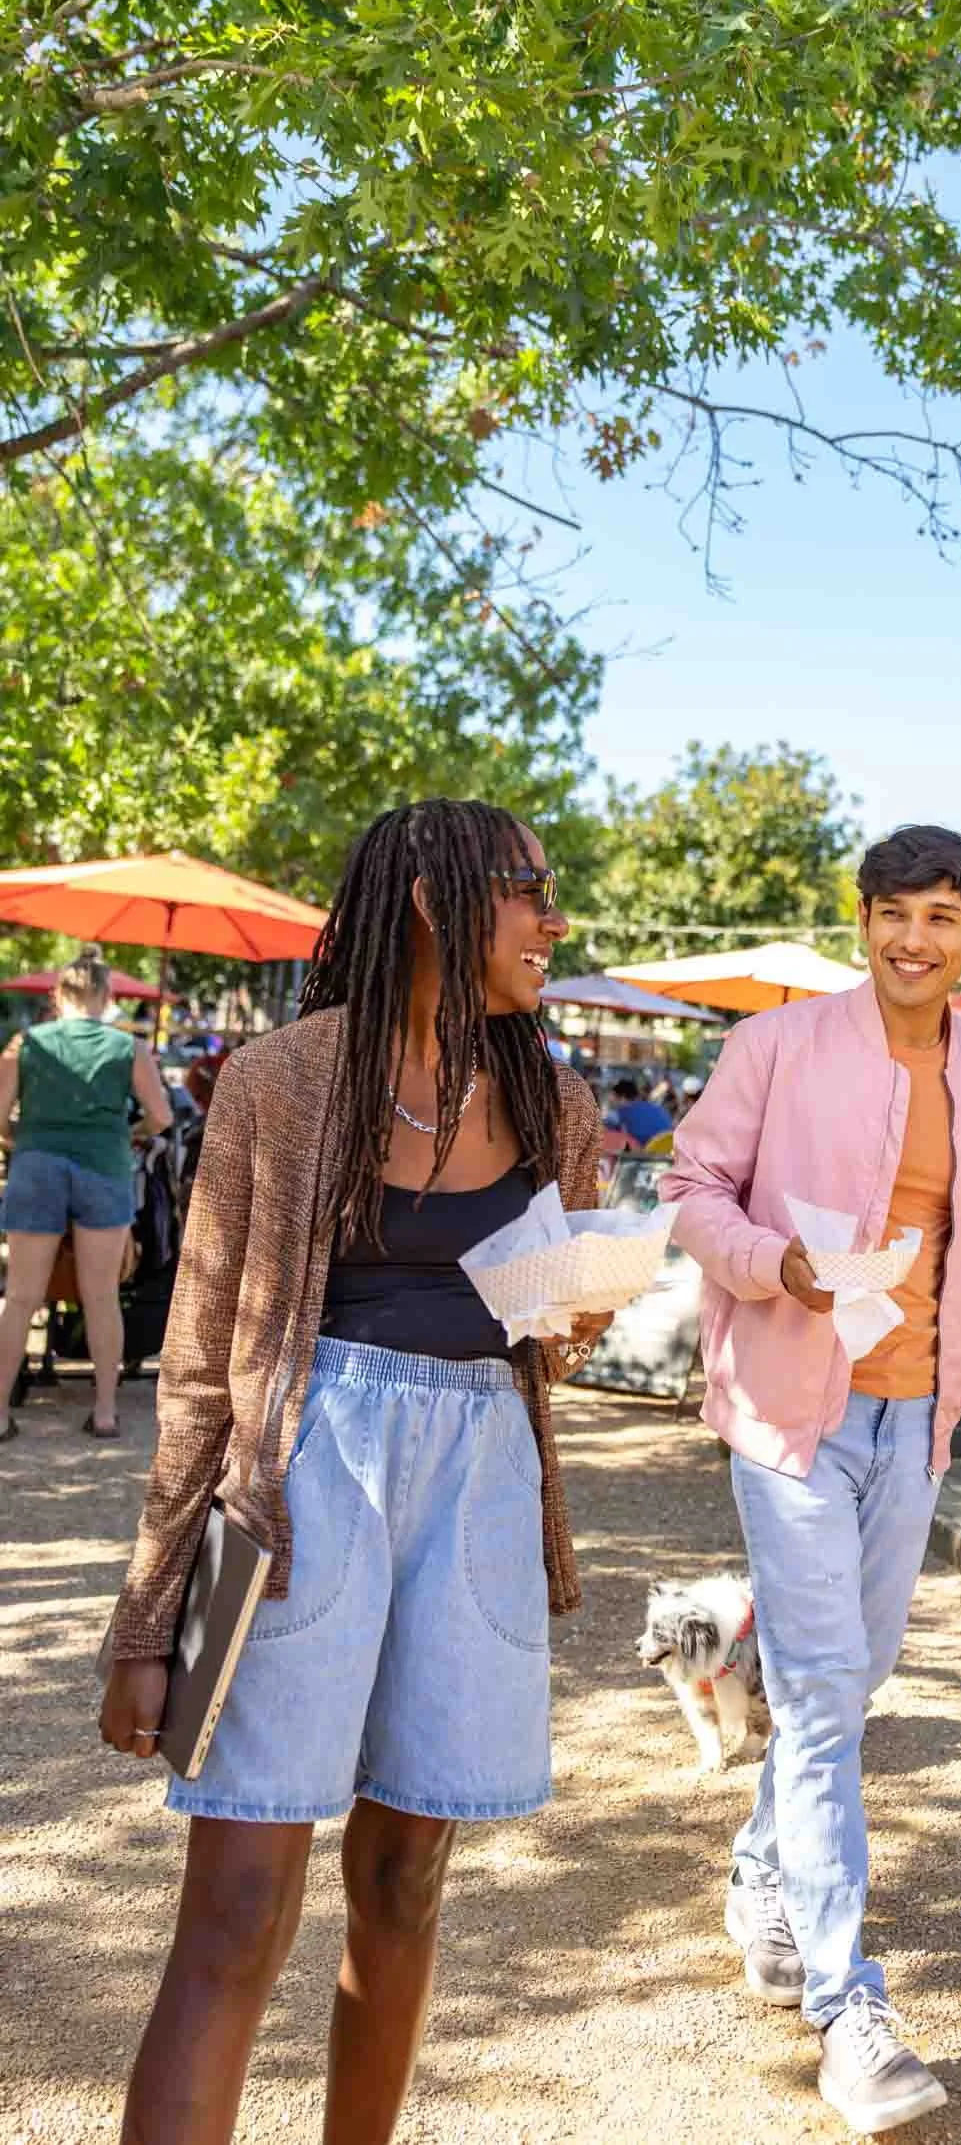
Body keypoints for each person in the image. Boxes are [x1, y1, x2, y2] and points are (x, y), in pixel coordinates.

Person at [99, 801, 607, 2145]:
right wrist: (148, 1619)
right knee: (238, 1903)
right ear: (437, 901)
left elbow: (548, 1334)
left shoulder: (555, 1101)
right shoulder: (279, 1078)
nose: (552, 920)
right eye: (529, 890)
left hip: (481, 1483)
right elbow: (200, 1360)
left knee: (403, 1879)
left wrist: (578, 1311)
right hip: (297, 1486)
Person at [662, 824, 961, 2137]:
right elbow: (690, 1188)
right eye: (893, 913)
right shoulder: (776, 1046)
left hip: (912, 1415)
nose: (913, 939)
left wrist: (946, 1400)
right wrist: (775, 1266)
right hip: (786, 1411)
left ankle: (760, 1874)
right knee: (817, 1698)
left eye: (939, 917)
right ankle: (846, 2009)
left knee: (849, 1683)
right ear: (861, 921)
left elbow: (959, 1242)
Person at [0, 948, 173, 1442]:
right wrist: (129, 1132)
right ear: (107, 996)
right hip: (104, 1167)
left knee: (20, 1297)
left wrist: (20, 1139)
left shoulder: (26, 1043)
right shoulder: (128, 1047)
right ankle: (104, 1412)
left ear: (58, 995)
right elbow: (162, 1117)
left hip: (37, 1165)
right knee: (101, 1297)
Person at [607, 1075, 674, 1151]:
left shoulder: (620, 1113)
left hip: (643, 1154)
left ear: (622, 1097)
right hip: (668, 1151)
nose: (611, 1100)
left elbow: (605, 1131)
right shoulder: (658, 1108)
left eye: (613, 1097)